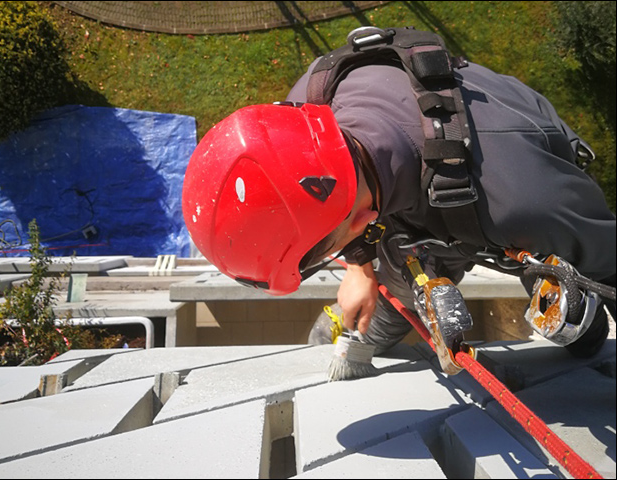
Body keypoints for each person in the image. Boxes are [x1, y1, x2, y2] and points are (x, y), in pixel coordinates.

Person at [182, 27, 616, 360]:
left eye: (323, 256)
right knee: (404, 273)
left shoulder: (522, 204)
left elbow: (610, 257)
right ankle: (377, 324)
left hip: (519, 158)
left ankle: (588, 335)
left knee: (569, 305)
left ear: (358, 224)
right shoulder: (313, 98)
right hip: (432, 173)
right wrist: (360, 269)